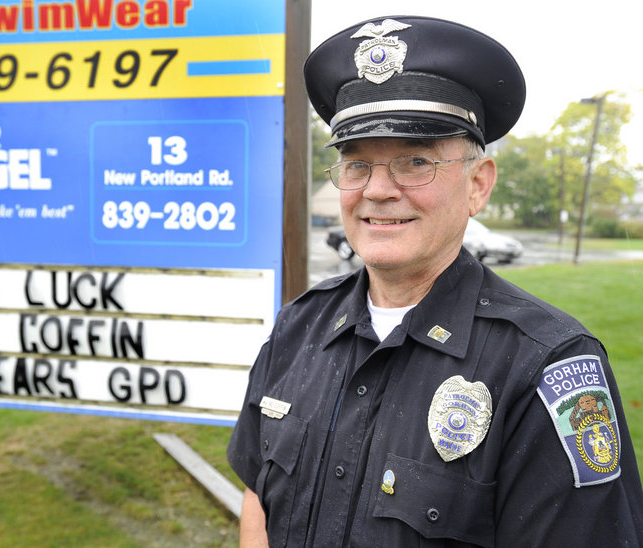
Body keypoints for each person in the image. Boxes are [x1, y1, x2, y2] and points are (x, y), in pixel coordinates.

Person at [227, 15, 643, 547]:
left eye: (415, 162)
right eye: (356, 165)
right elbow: (258, 497)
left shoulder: (543, 366)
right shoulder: (299, 325)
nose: (377, 190)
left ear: (478, 185)